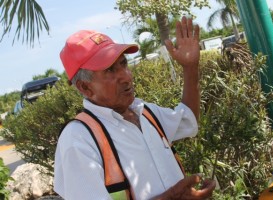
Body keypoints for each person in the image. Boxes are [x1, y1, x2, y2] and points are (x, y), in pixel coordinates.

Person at [54, 16, 216, 200]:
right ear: (85, 87)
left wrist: (190, 67)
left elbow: (188, 120)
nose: (126, 76)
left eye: (123, 63)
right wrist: (172, 197)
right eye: (110, 70)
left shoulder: (145, 111)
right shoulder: (78, 140)